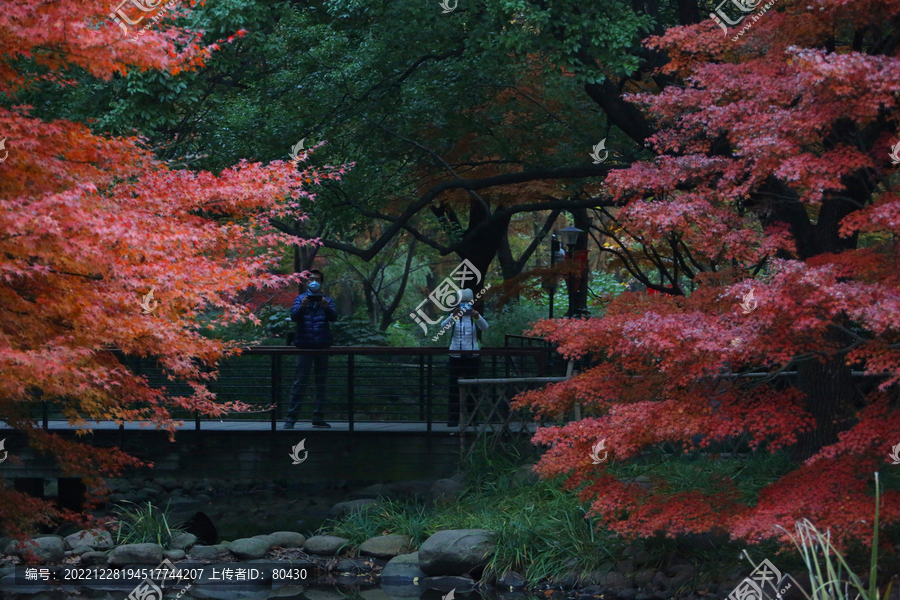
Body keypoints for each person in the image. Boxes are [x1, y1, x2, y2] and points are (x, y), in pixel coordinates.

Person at [285, 269, 338, 429]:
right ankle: (291, 419)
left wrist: (326, 307)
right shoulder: (300, 299)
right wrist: (302, 307)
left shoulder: (327, 300)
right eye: (311, 279)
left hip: (322, 345)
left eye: (317, 279)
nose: (314, 282)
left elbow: (334, 317)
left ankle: (318, 417)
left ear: (321, 282)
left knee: (321, 383)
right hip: (304, 345)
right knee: (300, 382)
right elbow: (294, 317)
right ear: (307, 282)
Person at [442, 289, 489, 427]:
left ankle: (473, 418)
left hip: (472, 356)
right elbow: (443, 328)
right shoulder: (454, 316)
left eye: (467, 302)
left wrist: (477, 316)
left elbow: (485, 327)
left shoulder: (475, 317)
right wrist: (453, 317)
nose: (465, 305)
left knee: (473, 387)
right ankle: (453, 419)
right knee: (453, 388)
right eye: (462, 302)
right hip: (455, 355)